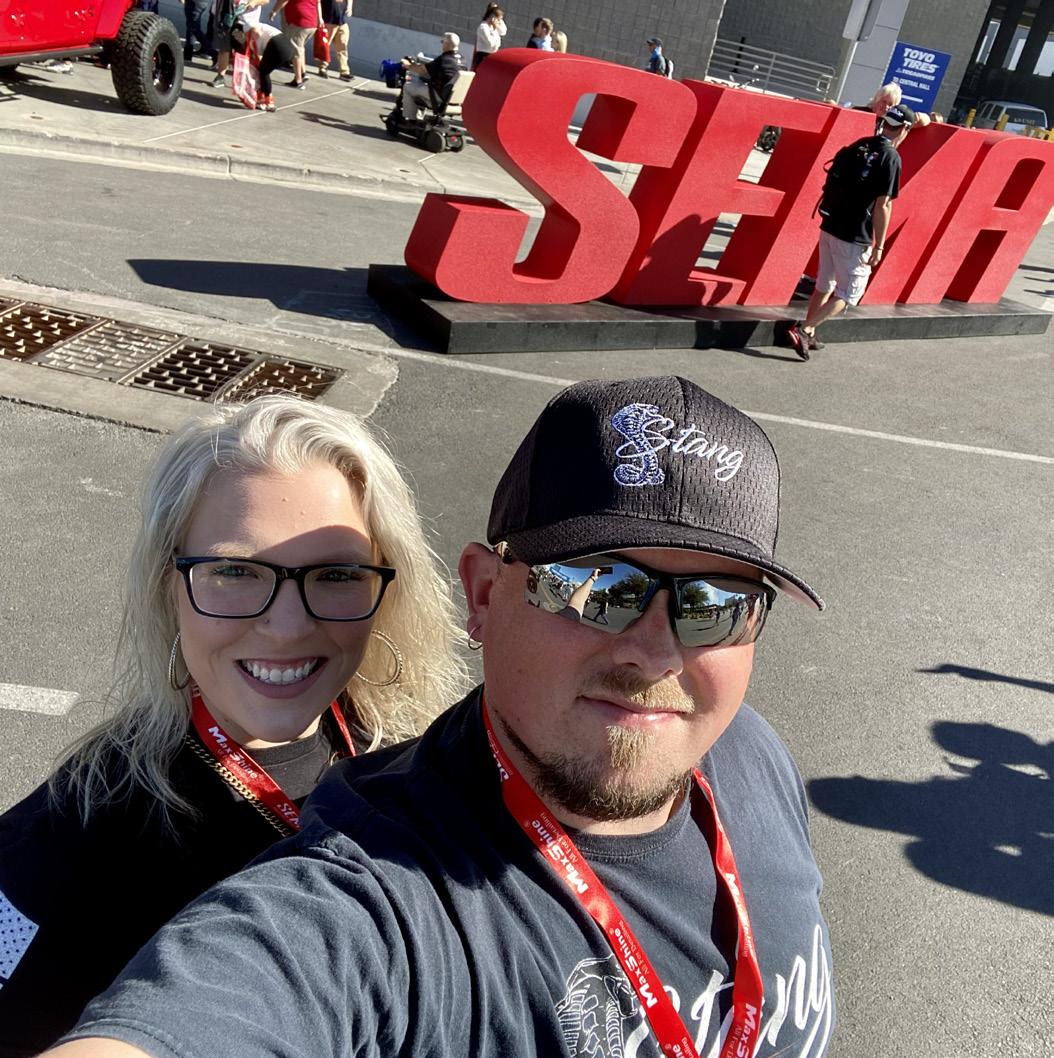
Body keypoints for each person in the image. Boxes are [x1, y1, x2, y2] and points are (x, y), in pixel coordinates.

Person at [44, 376, 834, 1058]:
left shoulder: (748, 754)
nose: (656, 654)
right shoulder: (369, 904)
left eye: (716, 605)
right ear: (484, 593)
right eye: (597, 588)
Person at [0, 395, 466, 1056]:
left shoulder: (414, 759)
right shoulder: (60, 842)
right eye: (234, 571)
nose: (288, 627)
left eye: (336, 574)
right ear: (168, 584)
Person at [784, 103, 916, 359]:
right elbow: (883, 205)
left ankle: (809, 334)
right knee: (849, 293)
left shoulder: (861, 145)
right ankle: (804, 329)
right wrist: (879, 245)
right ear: (905, 129)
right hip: (855, 235)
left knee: (824, 284)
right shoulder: (891, 158)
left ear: (885, 123)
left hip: (830, 224)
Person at [231, 17, 295, 111]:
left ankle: (268, 101)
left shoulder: (252, 29)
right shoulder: (264, 28)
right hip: (287, 47)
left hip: (277, 46)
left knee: (264, 72)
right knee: (263, 70)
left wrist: (247, 38)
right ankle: (264, 97)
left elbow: (256, 33)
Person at [400, 32, 461, 123]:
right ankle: (419, 117)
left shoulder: (444, 59)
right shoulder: (462, 60)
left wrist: (408, 65)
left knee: (408, 86)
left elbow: (421, 70)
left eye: (442, 42)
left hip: (439, 96)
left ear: (447, 44)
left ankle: (410, 120)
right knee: (421, 88)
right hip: (453, 98)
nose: (442, 44)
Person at [208, 0, 266, 88]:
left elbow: (265, 1)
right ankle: (220, 77)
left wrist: (254, 2)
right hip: (227, 18)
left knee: (251, 51)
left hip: (247, 22)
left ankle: (260, 79)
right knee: (224, 48)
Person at [269, 0, 322, 89]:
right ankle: (303, 73)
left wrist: (274, 11)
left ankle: (298, 81)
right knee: (299, 48)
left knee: (295, 52)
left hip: (299, 21)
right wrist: (320, 19)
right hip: (312, 22)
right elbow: (318, 2)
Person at [317, 0, 352, 81]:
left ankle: (344, 72)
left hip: (342, 21)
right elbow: (318, 2)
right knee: (325, 46)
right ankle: (322, 68)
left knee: (342, 47)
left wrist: (349, 6)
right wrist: (320, 18)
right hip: (329, 20)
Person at [473, 2, 506, 70]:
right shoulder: (483, 27)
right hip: (483, 55)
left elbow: (503, 32)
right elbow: (490, 43)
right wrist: (495, 33)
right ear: (492, 17)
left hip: (493, 54)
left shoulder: (494, 27)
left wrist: (497, 24)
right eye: (498, 20)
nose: (499, 22)